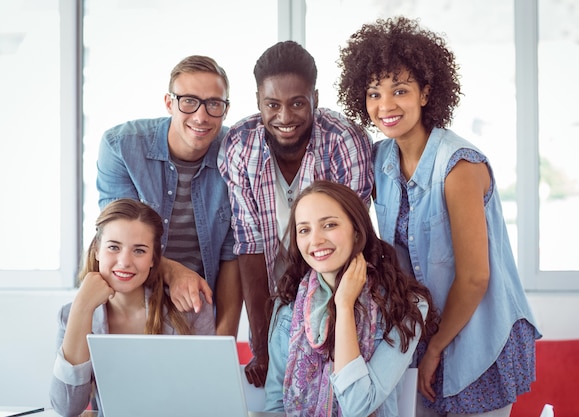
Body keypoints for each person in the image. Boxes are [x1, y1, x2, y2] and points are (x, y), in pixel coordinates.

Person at [337, 16, 541, 416]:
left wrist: (434, 349)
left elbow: (474, 277)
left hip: (479, 335)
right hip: (421, 336)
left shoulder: (459, 166)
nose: (386, 106)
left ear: (426, 93)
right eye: (374, 93)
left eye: (400, 91)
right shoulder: (379, 160)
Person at [218, 41, 374, 386]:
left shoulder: (343, 140)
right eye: (272, 104)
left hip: (337, 290)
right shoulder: (240, 145)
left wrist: (328, 333)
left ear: (315, 97)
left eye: (297, 103)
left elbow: (351, 242)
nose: (284, 117)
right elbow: (250, 246)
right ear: (258, 101)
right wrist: (261, 347)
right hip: (273, 296)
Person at [263, 180, 438, 416]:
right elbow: (275, 404)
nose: (315, 241)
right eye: (304, 230)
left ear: (357, 231)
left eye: (329, 225)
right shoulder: (288, 305)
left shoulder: (405, 306)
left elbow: (358, 406)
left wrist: (344, 305)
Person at [96, 55, 241, 337]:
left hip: (195, 306)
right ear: (169, 103)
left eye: (214, 103)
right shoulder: (120, 146)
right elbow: (117, 237)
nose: (201, 116)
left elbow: (232, 255)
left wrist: (224, 342)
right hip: (128, 297)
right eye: (188, 100)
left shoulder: (237, 154)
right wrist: (173, 271)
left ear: (225, 110)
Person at [50, 199, 215, 417]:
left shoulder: (189, 311)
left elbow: (208, 398)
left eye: (139, 251)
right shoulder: (71, 314)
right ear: (97, 250)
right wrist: (82, 307)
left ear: (153, 259)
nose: (125, 261)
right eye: (113, 247)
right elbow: (67, 407)